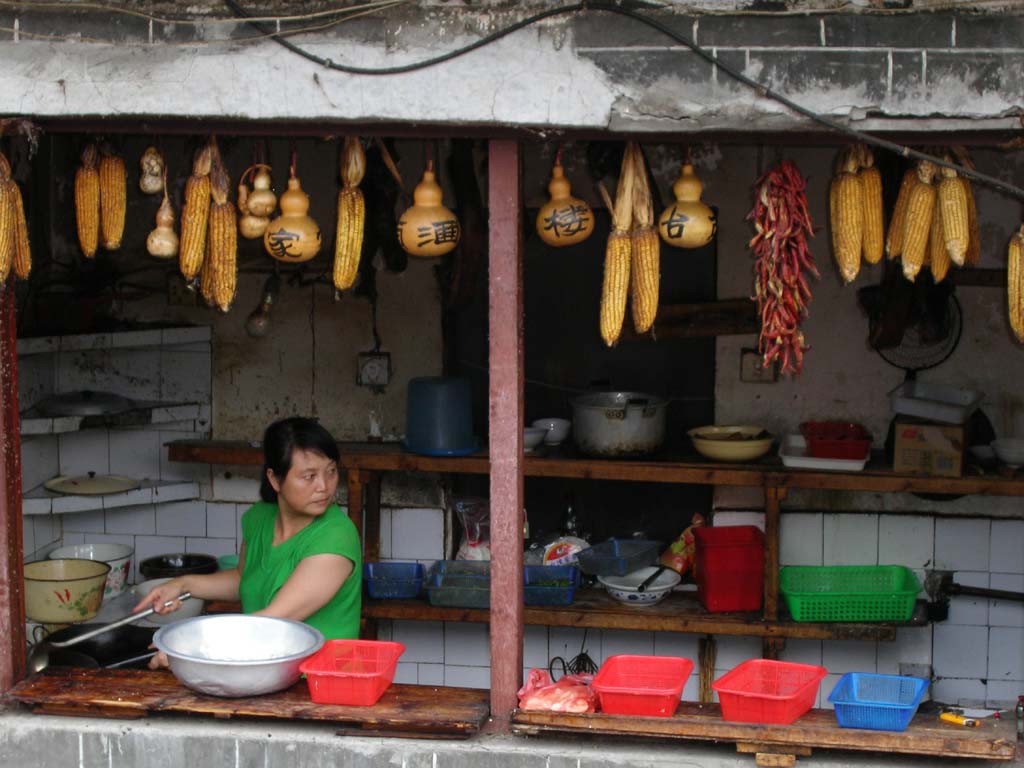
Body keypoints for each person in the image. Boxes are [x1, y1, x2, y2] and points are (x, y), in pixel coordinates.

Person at [134, 417, 361, 667]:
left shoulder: (337, 535)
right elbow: (244, 579)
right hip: (262, 674)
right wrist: (182, 585)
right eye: (309, 476)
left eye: (331, 471)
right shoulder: (260, 518)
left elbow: (274, 620)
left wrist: (189, 647)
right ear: (275, 480)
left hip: (320, 686)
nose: (324, 487)